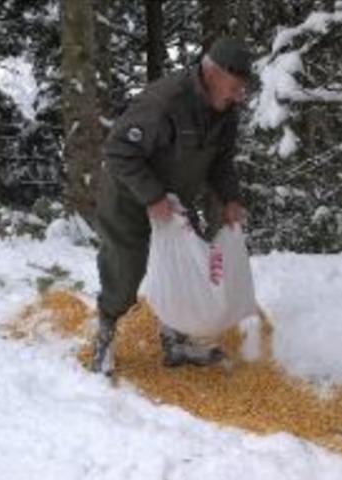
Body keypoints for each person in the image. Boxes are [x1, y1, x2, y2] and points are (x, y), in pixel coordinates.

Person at [90, 37, 253, 375]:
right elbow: (118, 151)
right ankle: (105, 335)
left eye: (243, 89)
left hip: (175, 200)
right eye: (235, 87)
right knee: (125, 269)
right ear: (212, 73)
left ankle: (176, 340)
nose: (240, 96)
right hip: (130, 197)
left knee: (187, 266)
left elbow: (221, 161)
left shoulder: (226, 112)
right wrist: (152, 197)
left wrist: (230, 198)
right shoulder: (165, 102)